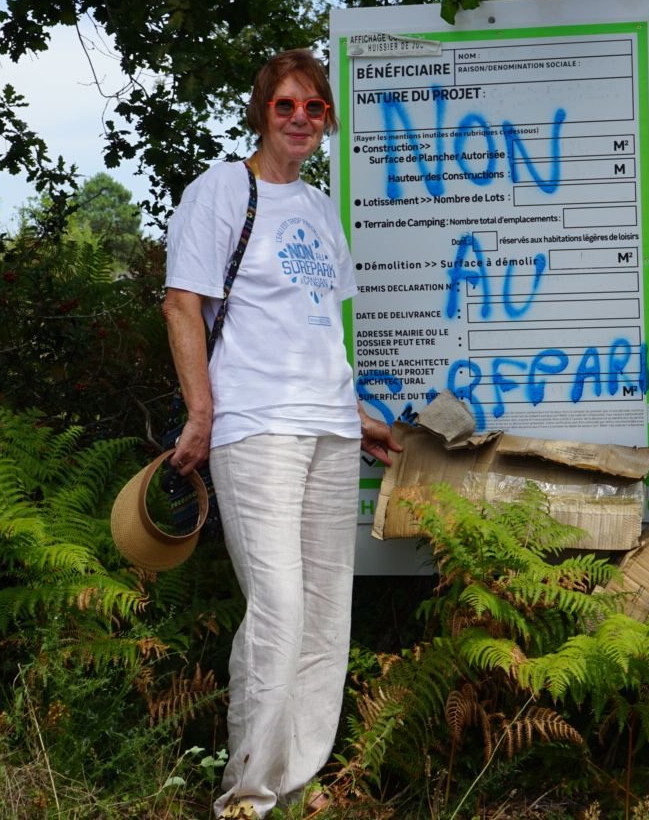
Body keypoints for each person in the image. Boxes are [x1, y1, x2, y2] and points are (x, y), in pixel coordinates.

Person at [162, 49, 399, 820]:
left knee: (329, 610)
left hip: (328, 428)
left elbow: (318, 327)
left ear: (327, 120)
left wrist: (354, 411)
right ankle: (246, 795)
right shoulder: (222, 191)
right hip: (255, 428)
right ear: (261, 110)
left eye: (314, 109)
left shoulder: (321, 206)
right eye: (286, 106)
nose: (301, 119)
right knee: (279, 607)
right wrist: (201, 412)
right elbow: (181, 305)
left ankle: (292, 784)